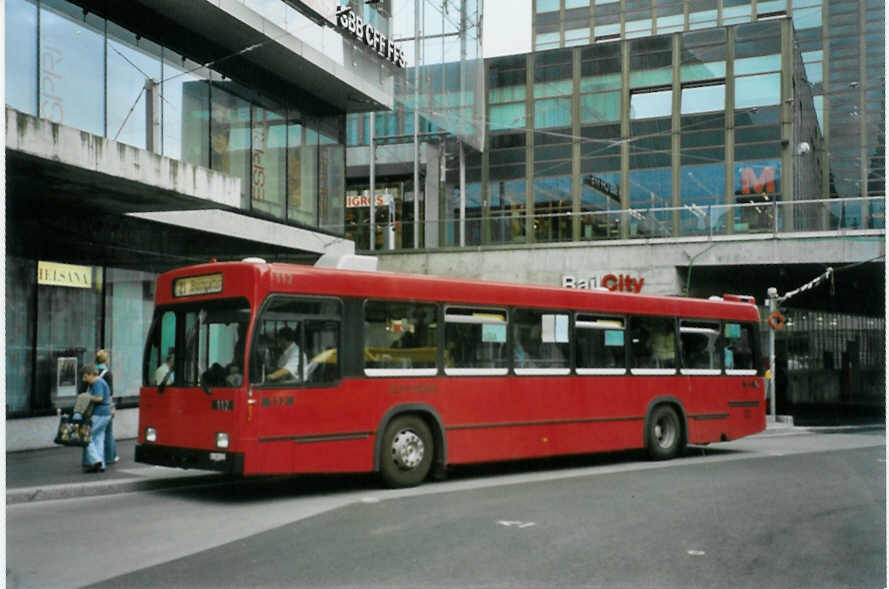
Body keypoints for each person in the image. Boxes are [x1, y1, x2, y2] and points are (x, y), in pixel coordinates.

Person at [81, 364, 112, 473]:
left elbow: (99, 398)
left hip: (99, 413)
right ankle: (101, 464)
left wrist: (86, 397)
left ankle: (96, 460)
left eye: (85, 376)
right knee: (98, 439)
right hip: (106, 413)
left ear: (90, 374)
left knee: (87, 436)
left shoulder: (97, 382)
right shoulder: (102, 382)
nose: (84, 379)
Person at [95, 349, 119, 465]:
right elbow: (110, 393)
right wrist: (112, 407)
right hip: (104, 407)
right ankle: (110, 456)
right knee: (108, 431)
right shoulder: (107, 374)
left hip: (93, 406)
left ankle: (96, 456)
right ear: (107, 360)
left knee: (96, 433)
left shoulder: (92, 372)